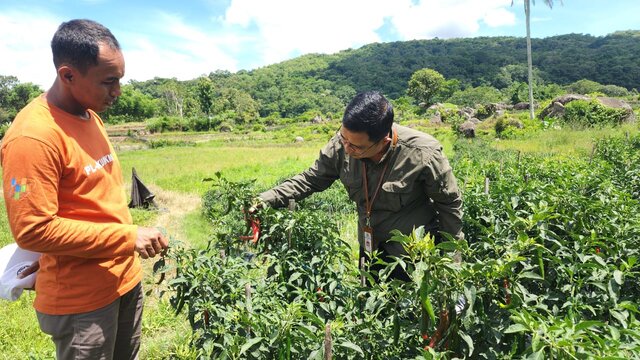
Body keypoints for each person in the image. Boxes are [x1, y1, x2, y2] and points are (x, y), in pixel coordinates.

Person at [1, 19, 168, 359]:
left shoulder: (91, 116)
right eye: (109, 81)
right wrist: (127, 237)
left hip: (123, 279)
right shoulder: (31, 139)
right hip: (82, 304)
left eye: (119, 79)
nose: (118, 91)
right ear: (68, 75)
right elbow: (33, 230)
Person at [258, 91, 463, 282]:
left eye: (355, 146)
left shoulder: (423, 153)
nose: (346, 148)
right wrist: (263, 200)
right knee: (370, 305)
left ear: (384, 141)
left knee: (410, 313)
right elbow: (310, 179)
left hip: (411, 254)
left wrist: (453, 266)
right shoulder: (343, 143)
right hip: (370, 247)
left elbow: (449, 205)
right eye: (343, 138)